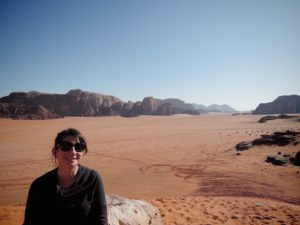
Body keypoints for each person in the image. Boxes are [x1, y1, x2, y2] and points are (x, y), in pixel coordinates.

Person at [23, 128, 108, 225]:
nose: (73, 152)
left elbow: (101, 220)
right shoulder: (39, 186)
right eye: (66, 146)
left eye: (78, 147)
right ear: (55, 152)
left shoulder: (92, 179)